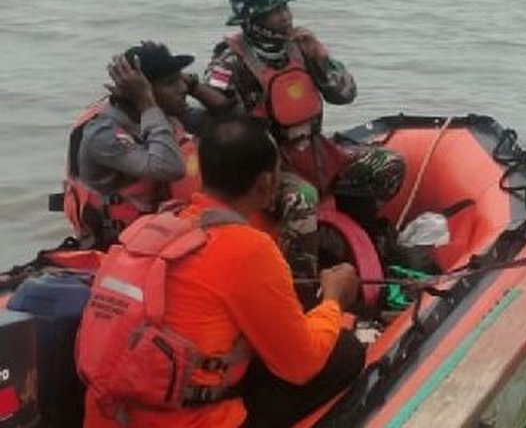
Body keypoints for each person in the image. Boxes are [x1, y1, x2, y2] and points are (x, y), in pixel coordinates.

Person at [78, 114, 365, 428]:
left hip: (112, 414)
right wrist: (334, 301)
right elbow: (300, 364)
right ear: (267, 182)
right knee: (346, 352)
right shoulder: (249, 248)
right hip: (195, 420)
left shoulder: (150, 227)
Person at [199, 0, 405, 276]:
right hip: (268, 164)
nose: (285, 16)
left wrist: (320, 55)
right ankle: (302, 283)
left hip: (316, 152)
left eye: (284, 8)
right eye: (274, 11)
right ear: (253, 20)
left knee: (389, 165)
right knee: (302, 198)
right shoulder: (229, 62)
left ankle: (359, 235)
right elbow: (215, 111)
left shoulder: (301, 49)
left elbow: (345, 94)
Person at [69, 42, 203, 246]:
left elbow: (225, 122)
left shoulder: (161, 115)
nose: (183, 88)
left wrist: (196, 88)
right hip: (117, 247)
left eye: (181, 79)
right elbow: (169, 167)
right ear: (139, 92)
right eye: (171, 82)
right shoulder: (102, 132)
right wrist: (147, 103)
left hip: (157, 236)